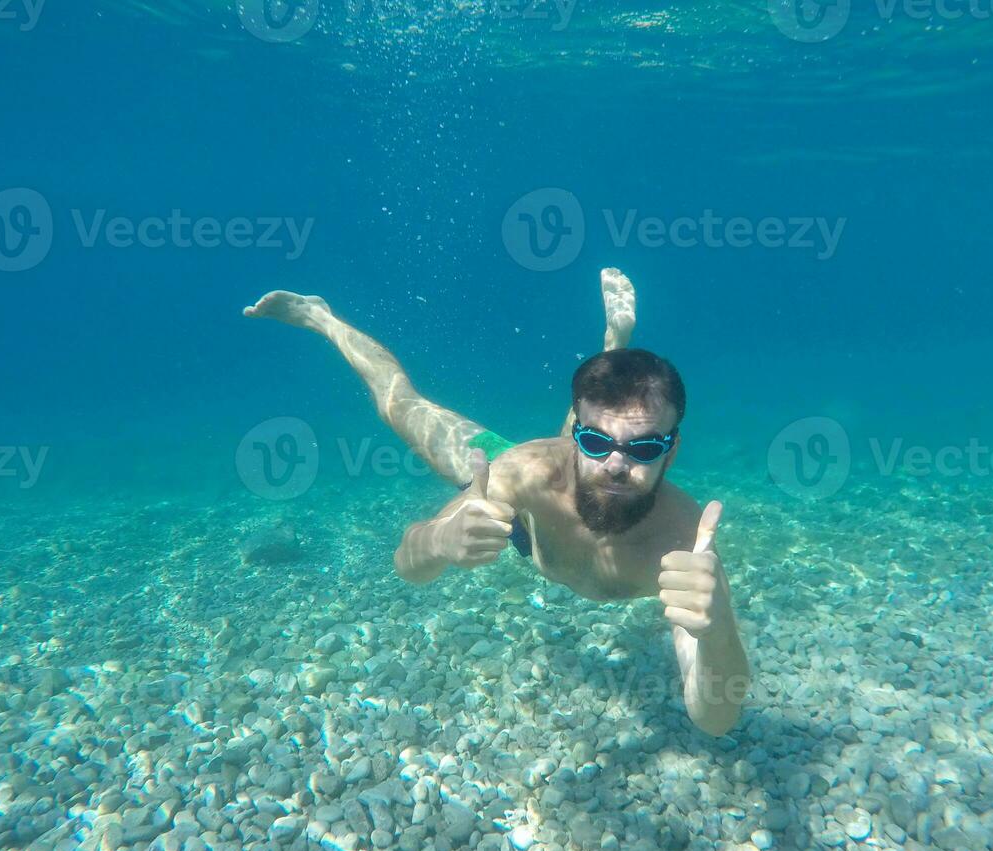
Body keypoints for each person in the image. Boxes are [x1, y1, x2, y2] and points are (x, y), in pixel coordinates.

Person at [243, 269, 749, 735]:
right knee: (403, 407)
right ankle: (322, 317)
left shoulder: (684, 547)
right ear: (576, 435)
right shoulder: (516, 472)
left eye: (643, 447)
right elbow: (408, 563)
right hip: (530, 517)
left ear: (672, 448)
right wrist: (440, 541)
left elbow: (715, 718)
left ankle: (613, 347)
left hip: (559, 485)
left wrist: (719, 623)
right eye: (595, 441)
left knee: (589, 473)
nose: (619, 464)